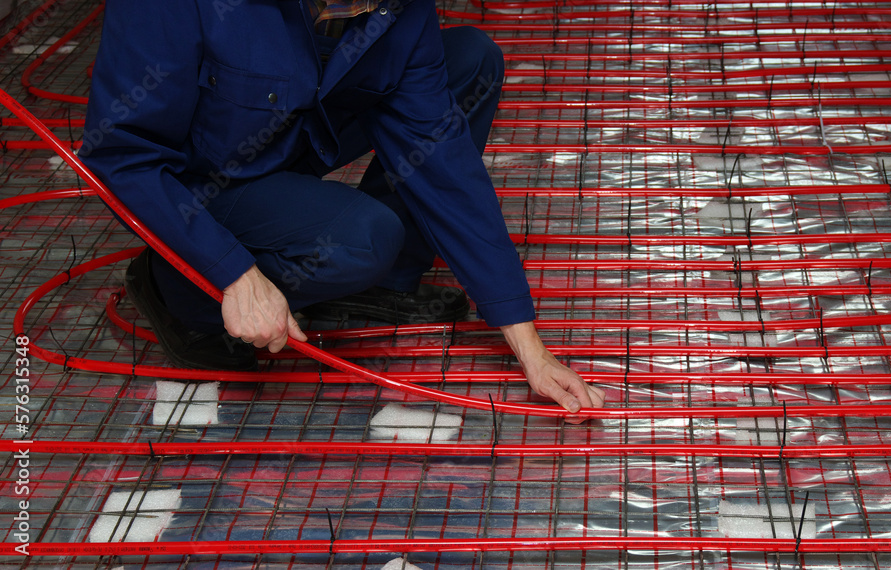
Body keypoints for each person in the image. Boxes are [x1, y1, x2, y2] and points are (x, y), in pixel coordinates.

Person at [81, 0, 605, 416]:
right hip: (200, 186)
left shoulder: (396, 7)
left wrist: (528, 344)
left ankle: (379, 283)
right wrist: (231, 272)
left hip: (295, 136)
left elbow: (443, 162)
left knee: (470, 59)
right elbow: (124, 154)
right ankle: (178, 294)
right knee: (363, 236)